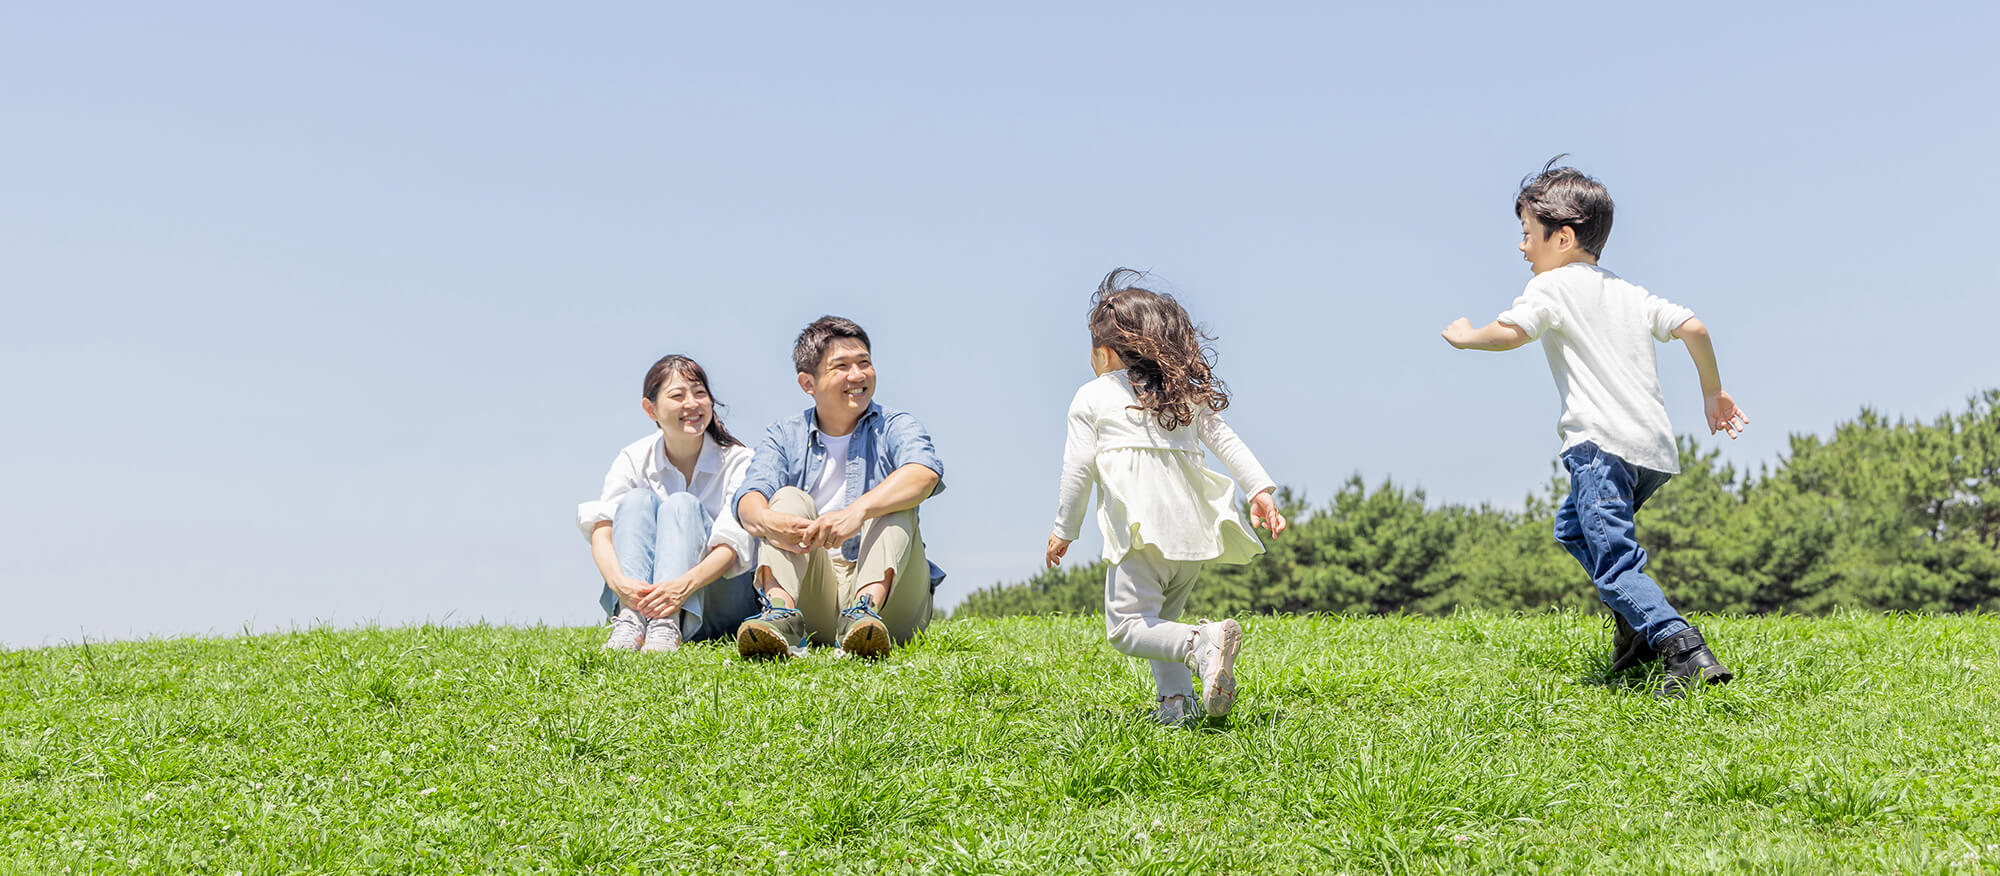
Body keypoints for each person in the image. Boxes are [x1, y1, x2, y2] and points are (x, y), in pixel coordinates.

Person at [1440, 156, 1748, 696]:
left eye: (1527, 233)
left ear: (1561, 237)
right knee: (1574, 529)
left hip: (1599, 449)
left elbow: (1512, 333)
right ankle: (1634, 634)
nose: (1521, 246)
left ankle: (1682, 650)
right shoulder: (1628, 291)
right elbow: (1693, 326)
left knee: (1614, 561)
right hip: (1650, 453)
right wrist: (1711, 391)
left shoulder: (1551, 288)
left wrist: (1468, 336)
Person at [1045, 269, 1288, 724]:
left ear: (1105, 351)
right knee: (1160, 623)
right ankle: (1177, 704)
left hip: (1142, 531)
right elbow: (1226, 440)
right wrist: (1260, 489)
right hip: (1191, 535)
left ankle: (1202, 643)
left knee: (1127, 628)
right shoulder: (1181, 396)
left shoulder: (1092, 396)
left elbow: (1076, 469)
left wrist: (1064, 530)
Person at [731, 316, 946, 660]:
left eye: (864, 363)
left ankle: (864, 613)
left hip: (893, 601)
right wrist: (770, 522)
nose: (858, 375)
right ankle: (780, 617)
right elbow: (749, 499)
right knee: (785, 500)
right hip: (817, 591)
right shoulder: (784, 434)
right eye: (841, 366)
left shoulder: (895, 425)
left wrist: (857, 512)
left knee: (895, 500)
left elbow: (924, 474)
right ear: (808, 383)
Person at [576, 354, 760, 652]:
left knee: (682, 505)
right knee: (635, 501)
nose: (692, 404)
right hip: (642, 599)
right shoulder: (633, 458)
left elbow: (733, 545)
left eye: (700, 393)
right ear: (651, 409)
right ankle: (631, 621)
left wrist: (680, 588)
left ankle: (665, 625)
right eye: (678, 395)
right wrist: (619, 584)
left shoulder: (739, 461)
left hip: (721, 599)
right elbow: (601, 527)